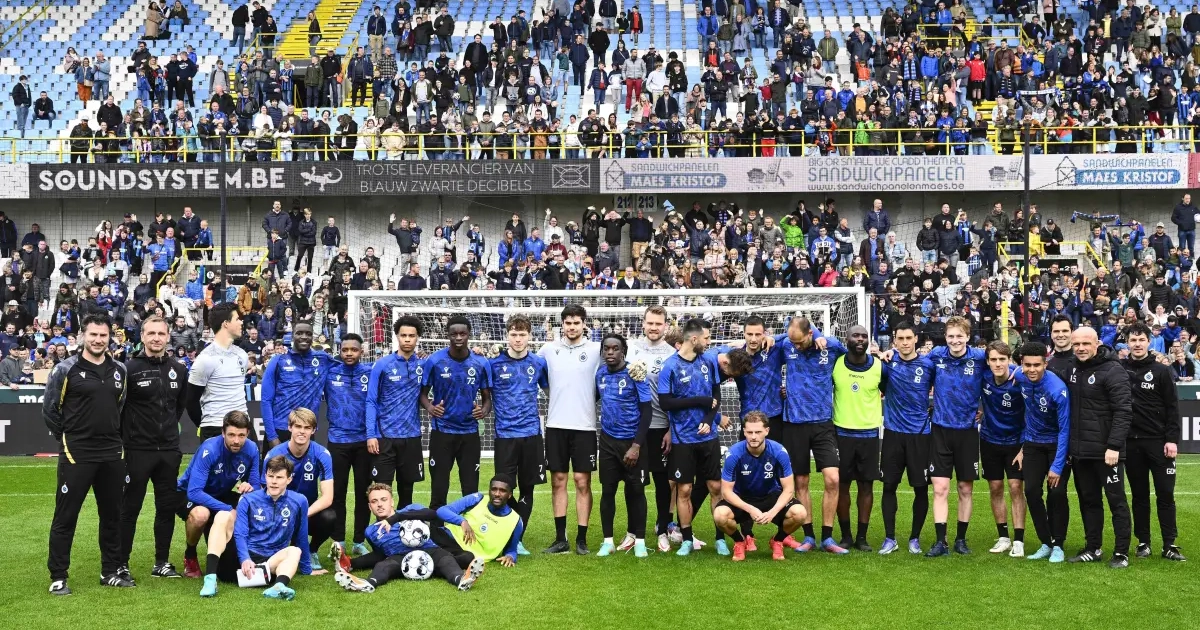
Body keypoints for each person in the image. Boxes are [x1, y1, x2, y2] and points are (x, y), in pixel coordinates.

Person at [44, 313, 129, 595]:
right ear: (83, 335)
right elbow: (50, 410)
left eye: (103, 335)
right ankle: (58, 576)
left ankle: (110, 571)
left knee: (112, 516)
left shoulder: (119, 370)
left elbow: (119, 407)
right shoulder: (65, 369)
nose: (98, 340)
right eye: (93, 334)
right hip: (76, 453)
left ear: (109, 337)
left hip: (112, 453)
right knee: (66, 516)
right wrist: (69, 437)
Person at [119, 316, 189, 581]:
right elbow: (120, 408)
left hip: (168, 450)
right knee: (130, 508)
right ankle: (121, 563)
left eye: (161, 333)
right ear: (142, 336)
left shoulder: (178, 369)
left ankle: (162, 562)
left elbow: (178, 407)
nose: (156, 338)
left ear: (168, 336)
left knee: (166, 508)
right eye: (151, 333)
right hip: (137, 450)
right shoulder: (129, 368)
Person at [772, 316, 844, 553]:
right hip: (794, 423)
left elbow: (855, 358)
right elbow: (777, 339)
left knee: (832, 479)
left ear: (811, 334)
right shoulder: (786, 344)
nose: (796, 346)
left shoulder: (831, 346)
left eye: (800, 342)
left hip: (823, 423)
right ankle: (809, 536)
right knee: (800, 481)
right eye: (792, 342)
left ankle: (828, 537)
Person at [332, 483, 485, 592]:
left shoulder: (411, 509)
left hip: (430, 551)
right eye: (374, 501)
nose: (379, 504)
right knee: (383, 565)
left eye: (384, 499)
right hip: (401, 558)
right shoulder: (371, 531)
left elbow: (432, 514)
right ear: (369, 507)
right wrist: (352, 563)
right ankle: (367, 583)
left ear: (392, 501)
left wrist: (398, 517)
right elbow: (379, 554)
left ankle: (461, 580)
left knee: (446, 560)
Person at [199, 455, 313, 599]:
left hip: (268, 566)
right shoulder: (248, 499)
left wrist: (307, 569)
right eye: (270, 476)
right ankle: (210, 580)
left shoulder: (299, 501)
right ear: (265, 477)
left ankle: (278, 587)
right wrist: (245, 559)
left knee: (295, 551)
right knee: (223, 515)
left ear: (289, 479)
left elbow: (302, 534)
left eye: (279, 477)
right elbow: (240, 533)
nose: (274, 481)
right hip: (238, 564)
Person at [657, 318, 726, 556]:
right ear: (694, 339)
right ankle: (686, 538)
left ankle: (720, 538)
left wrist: (709, 419)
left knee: (715, 487)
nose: (709, 342)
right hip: (683, 440)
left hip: (708, 438)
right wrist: (699, 401)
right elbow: (665, 403)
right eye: (706, 338)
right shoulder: (670, 366)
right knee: (684, 490)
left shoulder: (708, 361)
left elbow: (715, 395)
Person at [1065, 327, 1133, 568]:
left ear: (1097, 344)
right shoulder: (1072, 368)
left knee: (1117, 501)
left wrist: (1114, 446)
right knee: (1089, 501)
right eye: (1076, 344)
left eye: (1086, 343)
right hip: (1081, 451)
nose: (1081, 348)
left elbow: (1123, 411)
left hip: (1107, 453)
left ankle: (1121, 553)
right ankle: (1093, 548)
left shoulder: (1113, 370)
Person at [537, 304, 601, 555]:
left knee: (582, 481)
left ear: (584, 324)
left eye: (576, 322)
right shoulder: (548, 350)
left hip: (585, 426)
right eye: (568, 323)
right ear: (562, 324)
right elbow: (537, 376)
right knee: (558, 481)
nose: (572, 327)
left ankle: (581, 539)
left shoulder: (596, 350)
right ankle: (560, 538)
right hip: (555, 425)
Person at [1120, 323, 1186, 561]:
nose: (1137, 344)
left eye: (1141, 340)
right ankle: (1143, 542)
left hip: (1159, 443)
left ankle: (1169, 544)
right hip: (1131, 443)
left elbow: (1172, 408)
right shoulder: (1120, 369)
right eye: (1133, 340)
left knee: (1165, 494)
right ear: (1127, 342)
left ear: (1149, 342)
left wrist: (1172, 440)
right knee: (1139, 496)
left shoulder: (1162, 370)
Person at [923, 316, 986, 557]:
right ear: (945, 337)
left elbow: (1000, 369)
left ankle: (961, 539)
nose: (955, 340)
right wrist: (890, 354)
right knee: (940, 488)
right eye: (951, 336)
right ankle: (941, 541)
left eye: (960, 336)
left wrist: (983, 407)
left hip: (967, 431)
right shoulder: (936, 355)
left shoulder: (979, 357)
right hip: (940, 430)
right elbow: (914, 362)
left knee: (965, 488)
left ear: (968, 337)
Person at [488, 315, 549, 555]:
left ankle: (518, 539)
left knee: (527, 489)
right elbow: (484, 394)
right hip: (505, 436)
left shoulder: (539, 363)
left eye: (522, 334)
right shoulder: (493, 365)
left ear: (530, 336)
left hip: (531, 435)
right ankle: (506, 531)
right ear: (507, 336)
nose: (518, 339)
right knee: (503, 488)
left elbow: (550, 390)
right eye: (514, 334)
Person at [176, 410, 261, 580]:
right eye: (231, 435)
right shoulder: (210, 450)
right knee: (201, 515)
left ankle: (251, 554)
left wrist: (249, 487)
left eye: (241, 435)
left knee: (252, 507)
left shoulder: (251, 449)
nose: (236, 440)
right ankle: (190, 555)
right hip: (189, 494)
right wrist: (228, 509)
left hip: (222, 494)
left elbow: (257, 487)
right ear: (223, 433)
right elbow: (194, 492)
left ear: (247, 433)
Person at [419, 315, 493, 509]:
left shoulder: (481, 363)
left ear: (469, 334)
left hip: (469, 434)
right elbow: (422, 394)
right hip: (442, 432)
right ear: (447, 335)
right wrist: (430, 408)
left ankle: (469, 527)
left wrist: (484, 410)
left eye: (463, 333)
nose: (458, 337)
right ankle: (436, 526)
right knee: (439, 488)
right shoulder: (435, 361)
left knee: (470, 490)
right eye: (454, 334)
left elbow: (487, 398)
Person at [715, 411, 808, 561]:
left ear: (767, 431)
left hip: (770, 496)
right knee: (720, 515)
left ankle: (777, 540)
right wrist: (750, 509)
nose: (753, 436)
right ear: (744, 431)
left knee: (800, 514)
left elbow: (789, 489)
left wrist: (772, 512)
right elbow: (726, 492)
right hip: (742, 498)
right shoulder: (734, 454)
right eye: (749, 432)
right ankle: (739, 541)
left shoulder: (779, 452)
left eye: (758, 432)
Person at [1011, 341, 1071, 563]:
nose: (1032, 369)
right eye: (1027, 365)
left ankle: (1059, 545)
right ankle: (1046, 542)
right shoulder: (1020, 375)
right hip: (1032, 445)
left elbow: (1065, 429)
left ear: (1045, 364)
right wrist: (1023, 448)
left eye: (1037, 365)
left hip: (1056, 445)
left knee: (1056, 493)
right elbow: (1008, 369)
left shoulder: (1057, 389)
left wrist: (1057, 465)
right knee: (1032, 492)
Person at [594, 333, 652, 558]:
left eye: (615, 348)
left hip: (633, 442)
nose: (610, 352)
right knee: (608, 491)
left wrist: (636, 446)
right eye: (606, 348)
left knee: (636, 490)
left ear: (623, 352)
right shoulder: (600, 374)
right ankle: (607, 541)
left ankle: (640, 542)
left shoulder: (635, 373)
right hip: (608, 441)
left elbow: (647, 412)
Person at [878, 322, 934, 555]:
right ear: (894, 340)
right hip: (893, 433)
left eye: (908, 338)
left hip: (920, 435)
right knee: (889, 486)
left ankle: (914, 539)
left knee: (920, 488)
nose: (904, 342)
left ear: (916, 339)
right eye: (900, 338)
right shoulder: (887, 364)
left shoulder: (928, 365)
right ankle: (890, 538)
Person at [626, 306, 677, 552]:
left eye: (658, 323)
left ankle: (662, 529)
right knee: (633, 483)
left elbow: (676, 394)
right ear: (643, 324)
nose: (654, 327)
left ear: (665, 325)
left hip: (660, 427)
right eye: (650, 323)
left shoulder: (672, 355)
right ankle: (632, 531)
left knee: (662, 482)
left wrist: (671, 429)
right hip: (634, 428)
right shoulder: (630, 349)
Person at [831, 325, 883, 553]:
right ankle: (846, 536)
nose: (860, 339)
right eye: (856, 335)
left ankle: (862, 537)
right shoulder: (836, 364)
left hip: (869, 434)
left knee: (866, 486)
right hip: (841, 433)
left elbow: (891, 391)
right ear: (847, 339)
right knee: (842, 486)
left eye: (864, 336)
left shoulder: (880, 366)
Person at [264, 408, 336, 571]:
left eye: (307, 428)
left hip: (307, 511)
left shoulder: (322, 454)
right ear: (290, 427)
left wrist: (302, 514)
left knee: (330, 516)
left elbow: (328, 497)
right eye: (298, 426)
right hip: (280, 509)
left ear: (313, 430)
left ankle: (311, 550)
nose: (302, 431)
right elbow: (264, 493)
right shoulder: (275, 454)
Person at [324, 332, 374, 557]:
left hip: (364, 442)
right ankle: (339, 541)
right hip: (337, 441)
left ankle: (359, 541)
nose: (349, 354)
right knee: (337, 494)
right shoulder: (330, 372)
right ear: (340, 351)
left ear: (361, 351)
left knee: (364, 493)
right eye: (345, 350)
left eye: (353, 350)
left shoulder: (370, 372)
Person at [367, 317, 426, 508]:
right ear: (397, 337)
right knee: (381, 492)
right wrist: (371, 434)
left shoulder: (423, 365)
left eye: (411, 336)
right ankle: (381, 527)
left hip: (411, 436)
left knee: (406, 492)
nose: (407, 339)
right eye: (403, 335)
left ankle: (403, 525)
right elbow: (371, 401)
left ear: (417, 338)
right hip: (385, 437)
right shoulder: (382, 365)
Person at [979, 340, 1027, 557]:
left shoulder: (1021, 378)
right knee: (995, 487)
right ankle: (1003, 537)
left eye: (1002, 359)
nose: (998, 364)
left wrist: (1025, 446)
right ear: (988, 361)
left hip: (1016, 442)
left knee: (1016, 487)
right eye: (993, 359)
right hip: (989, 440)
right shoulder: (983, 376)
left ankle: (1019, 540)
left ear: (1009, 360)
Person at [261, 322, 329, 448]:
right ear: (292, 336)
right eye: (299, 333)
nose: (304, 337)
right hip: (280, 430)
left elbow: (348, 365)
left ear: (312, 337)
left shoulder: (323, 360)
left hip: (306, 430)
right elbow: (266, 401)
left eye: (308, 334)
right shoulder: (278, 361)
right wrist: (272, 437)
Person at [187, 304, 249, 440]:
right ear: (226, 324)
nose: (241, 322)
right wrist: (204, 425)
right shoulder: (205, 359)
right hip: (214, 427)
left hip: (243, 425)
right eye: (237, 319)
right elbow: (191, 401)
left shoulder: (242, 355)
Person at [436, 474, 525, 566]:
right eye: (494, 489)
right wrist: (462, 521)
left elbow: (511, 549)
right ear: (489, 491)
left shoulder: (516, 521)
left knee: (466, 558)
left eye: (502, 491)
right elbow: (441, 511)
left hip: (467, 554)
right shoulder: (477, 499)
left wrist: (510, 556)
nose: (497, 494)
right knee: (427, 529)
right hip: (447, 536)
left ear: (509, 495)